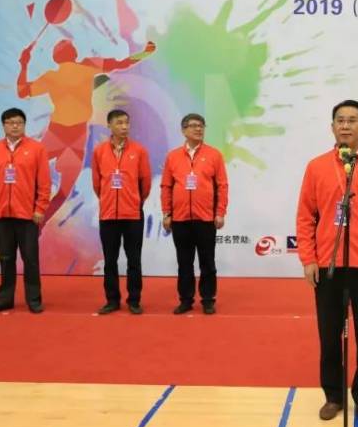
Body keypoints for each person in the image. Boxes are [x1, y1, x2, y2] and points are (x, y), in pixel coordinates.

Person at [296, 99, 358, 423]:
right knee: (329, 336)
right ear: (332, 127)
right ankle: (333, 396)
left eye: (352, 120)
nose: (345, 125)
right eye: (340, 120)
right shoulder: (316, 166)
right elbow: (305, 217)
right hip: (328, 265)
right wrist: (308, 258)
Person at [16, 38, 155, 226]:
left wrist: (24, 64)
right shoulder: (88, 66)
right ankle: (39, 223)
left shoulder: (52, 77)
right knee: (64, 189)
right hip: (76, 135)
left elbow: (22, 91)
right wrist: (145, 53)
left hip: (58, 133)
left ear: (55, 58)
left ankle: (27, 214)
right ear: (74, 54)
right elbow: (121, 63)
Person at [0, 108, 50, 313]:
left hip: (28, 215)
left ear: (24, 125)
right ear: (3, 125)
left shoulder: (37, 149)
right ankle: (5, 299)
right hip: (1, 214)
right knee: (5, 258)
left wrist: (40, 209)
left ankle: (34, 300)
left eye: (19, 122)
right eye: (10, 122)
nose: (15, 126)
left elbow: (44, 183)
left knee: (30, 259)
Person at [161, 114, 228, 315]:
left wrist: (220, 212)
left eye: (201, 126)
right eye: (193, 126)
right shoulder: (173, 156)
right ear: (183, 130)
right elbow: (166, 186)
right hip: (180, 219)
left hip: (205, 218)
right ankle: (186, 300)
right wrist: (166, 213)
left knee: (207, 261)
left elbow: (222, 186)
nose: (198, 129)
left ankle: (208, 299)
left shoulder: (214, 155)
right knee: (184, 262)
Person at [91, 109, 151, 315]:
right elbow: (97, 183)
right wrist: (108, 200)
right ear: (109, 125)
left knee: (134, 260)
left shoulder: (139, 151)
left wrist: (134, 201)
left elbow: (145, 183)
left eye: (126, 122)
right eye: (119, 123)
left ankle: (134, 300)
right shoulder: (99, 151)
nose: (124, 126)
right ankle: (112, 300)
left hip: (133, 214)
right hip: (108, 215)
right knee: (110, 261)